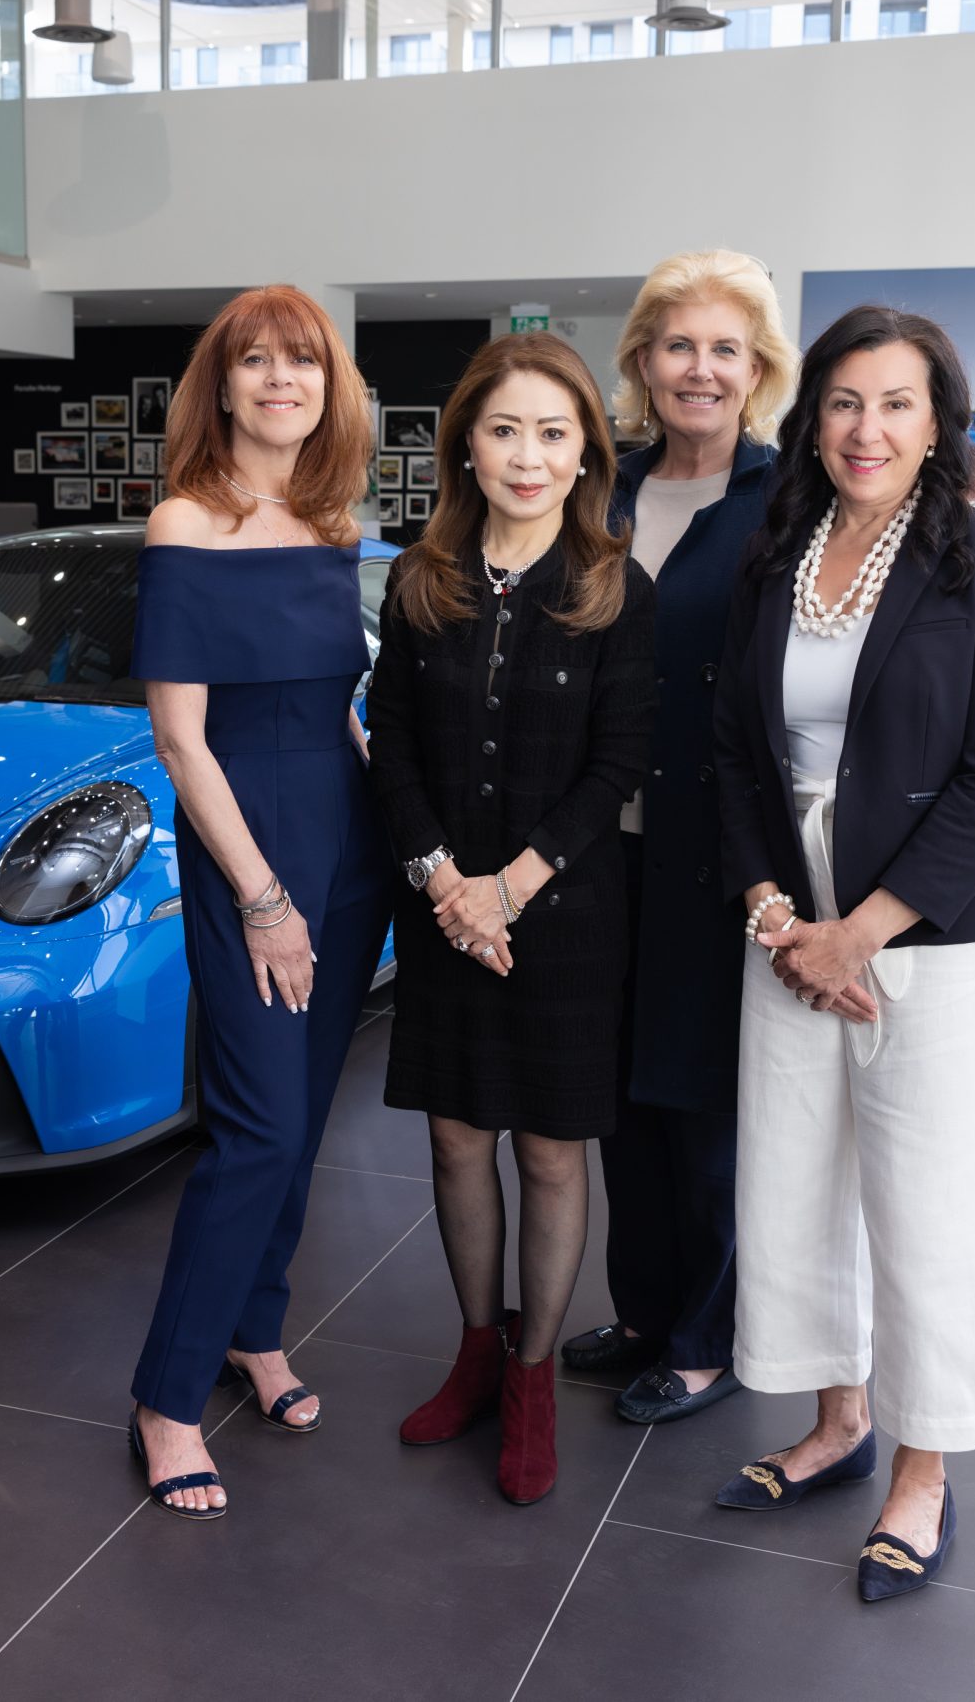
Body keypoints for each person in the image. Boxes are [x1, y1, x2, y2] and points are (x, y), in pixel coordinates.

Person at [710, 305, 975, 1601]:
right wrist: (773, 912)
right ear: (814, 421)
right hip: (784, 926)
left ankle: (923, 1467)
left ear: (937, 422)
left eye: (898, 403)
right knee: (794, 1185)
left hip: (924, 935)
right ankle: (838, 1421)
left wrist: (855, 933)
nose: (868, 429)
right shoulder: (774, 556)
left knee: (932, 1209)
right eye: (846, 401)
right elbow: (737, 753)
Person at [364, 332, 656, 1506]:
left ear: (585, 452)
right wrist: (445, 882)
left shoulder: (614, 588)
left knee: (547, 1149)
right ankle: (477, 1350)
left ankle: (532, 1378)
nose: (527, 456)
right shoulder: (419, 579)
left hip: (566, 916)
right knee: (454, 1137)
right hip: (443, 912)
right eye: (503, 431)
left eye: (551, 432)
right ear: (466, 449)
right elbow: (391, 746)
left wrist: (508, 887)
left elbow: (618, 763)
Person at [126, 286, 395, 1520]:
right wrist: (263, 896)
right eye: (256, 361)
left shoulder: (330, 523)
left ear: (329, 388)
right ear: (221, 386)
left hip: (346, 833)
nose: (282, 379)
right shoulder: (185, 521)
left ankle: (256, 1330)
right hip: (252, 846)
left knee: (305, 1113)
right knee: (259, 1128)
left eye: (303, 361)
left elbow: (335, 707)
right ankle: (167, 1396)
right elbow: (181, 742)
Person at [562, 250, 798, 1429]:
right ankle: (646, 1309)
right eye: (677, 346)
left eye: (724, 349)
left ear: (757, 371)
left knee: (703, 1103)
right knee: (621, 1094)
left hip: (720, 846)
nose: (699, 369)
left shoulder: (788, 496)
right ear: (643, 362)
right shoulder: (602, 490)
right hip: (602, 845)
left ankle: (708, 1337)